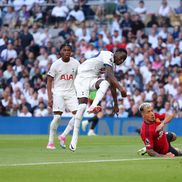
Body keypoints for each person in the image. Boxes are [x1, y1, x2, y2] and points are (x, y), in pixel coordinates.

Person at [69, 48, 128, 151]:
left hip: (92, 79)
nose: (121, 61)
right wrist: (121, 88)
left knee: (105, 83)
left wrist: (116, 104)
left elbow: (112, 84)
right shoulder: (108, 55)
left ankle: (93, 106)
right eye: (121, 57)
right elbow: (110, 75)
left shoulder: (111, 65)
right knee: (82, 107)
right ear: (116, 53)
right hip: (81, 78)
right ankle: (74, 139)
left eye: (124, 59)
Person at [46, 43, 80, 150]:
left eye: (69, 50)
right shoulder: (55, 64)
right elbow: (49, 81)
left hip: (71, 93)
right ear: (61, 52)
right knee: (57, 118)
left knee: (78, 116)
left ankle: (63, 135)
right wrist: (50, 97)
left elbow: (81, 76)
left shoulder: (76, 63)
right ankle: (50, 142)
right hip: (58, 93)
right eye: (64, 50)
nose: (67, 52)